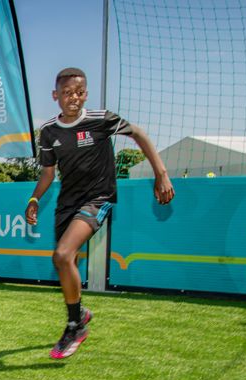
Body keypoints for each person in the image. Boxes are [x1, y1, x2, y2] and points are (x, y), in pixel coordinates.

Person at [25, 68, 174, 359]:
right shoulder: (49, 132)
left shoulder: (101, 119)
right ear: (56, 96)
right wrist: (34, 198)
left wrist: (162, 174)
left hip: (98, 199)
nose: (74, 98)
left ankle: (74, 327)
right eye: (67, 93)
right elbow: (47, 173)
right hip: (66, 204)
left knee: (63, 255)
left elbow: (139, 134)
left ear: (86, 94)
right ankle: (79, 312)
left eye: (79, 92)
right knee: (65, 262)